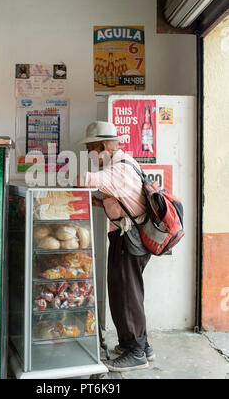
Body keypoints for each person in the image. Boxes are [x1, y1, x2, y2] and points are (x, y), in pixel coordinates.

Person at [77, 121, 155, 372]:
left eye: (90, 149)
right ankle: (139, 344)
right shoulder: (124, 162)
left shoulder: (117, 170)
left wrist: (63, 176)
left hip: (130, 239)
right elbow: (122, 201)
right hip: (131, 236)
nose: (90, 155)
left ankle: (136, 352)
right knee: (129, 292)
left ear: (101, 147)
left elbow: (84, 179)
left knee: (125, 294)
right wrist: (99, 204)